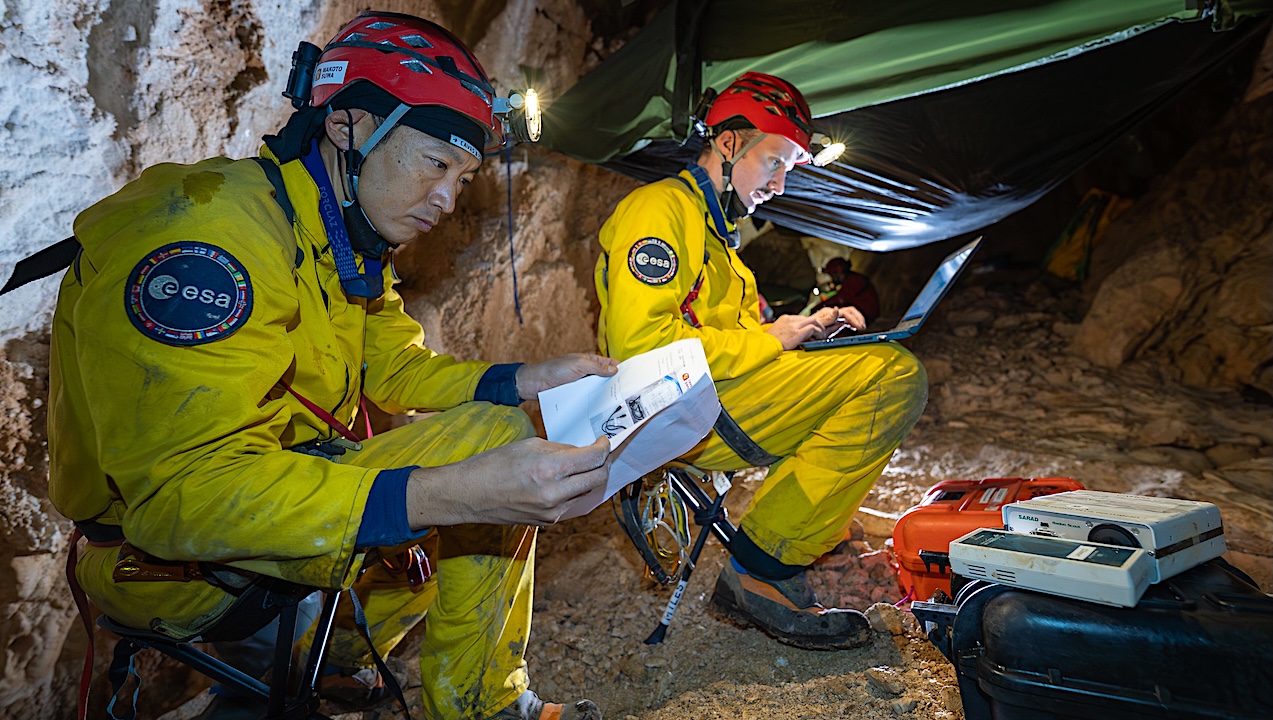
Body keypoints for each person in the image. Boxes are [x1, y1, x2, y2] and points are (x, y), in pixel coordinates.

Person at [49, 12, 609, 720]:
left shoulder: (338, 238)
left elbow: (395, 370)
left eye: (464, 178)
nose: (447, 197)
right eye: (437, 163)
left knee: (488, 437)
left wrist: (528, 378)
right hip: (169, 560)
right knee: (472, 470)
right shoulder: (208, 238)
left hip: (280, 493)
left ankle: (335, 665)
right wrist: (441, 495)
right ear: (347, 126)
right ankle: (469, 707)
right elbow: (177, 502)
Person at [593, 72, 927, 649]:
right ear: (728, 144)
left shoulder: (719, 238)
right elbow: (641, 348)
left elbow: (736, 334)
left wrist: (814, 327)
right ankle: (763, 568)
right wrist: (773, 339)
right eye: (775, 161)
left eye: (790, 169)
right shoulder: (660, 210)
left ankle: (794, 532)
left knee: (873, 358)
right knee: (894, 376)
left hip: (715, 398)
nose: (779, 182)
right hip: (676, 413)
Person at [813, 257, 880, 326]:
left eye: (832, 274)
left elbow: (840, 299)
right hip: (862, 315)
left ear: (837, 272)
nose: (832, 278)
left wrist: (819, 307)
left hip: (865, 317)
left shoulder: (854, 280)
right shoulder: (851, 279)